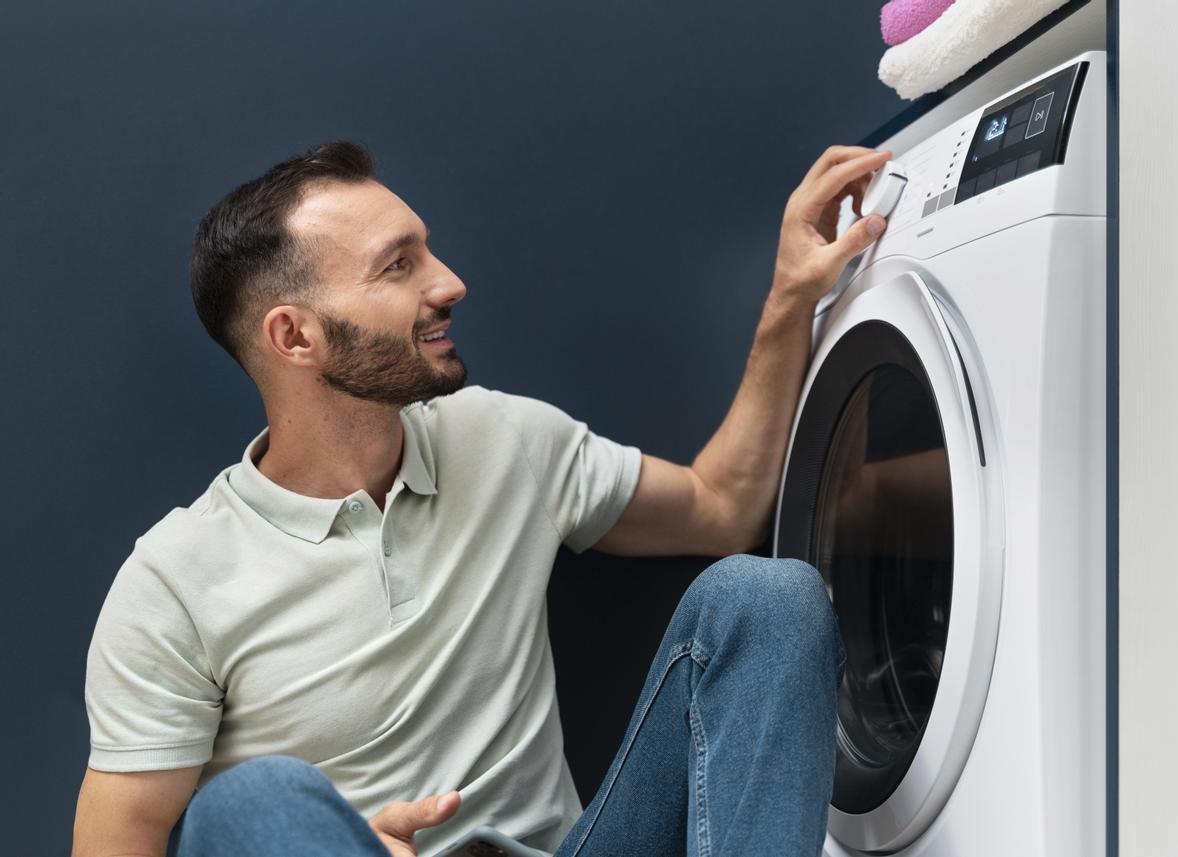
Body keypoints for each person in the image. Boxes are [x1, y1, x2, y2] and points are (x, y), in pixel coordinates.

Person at [71, 140, 892, 857]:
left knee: (767, 597)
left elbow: (722, 504)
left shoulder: (502, 438)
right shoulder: (174, 582)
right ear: (295, 336)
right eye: (399, 265)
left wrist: (792, 297)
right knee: (251, 802)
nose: (450, 282)